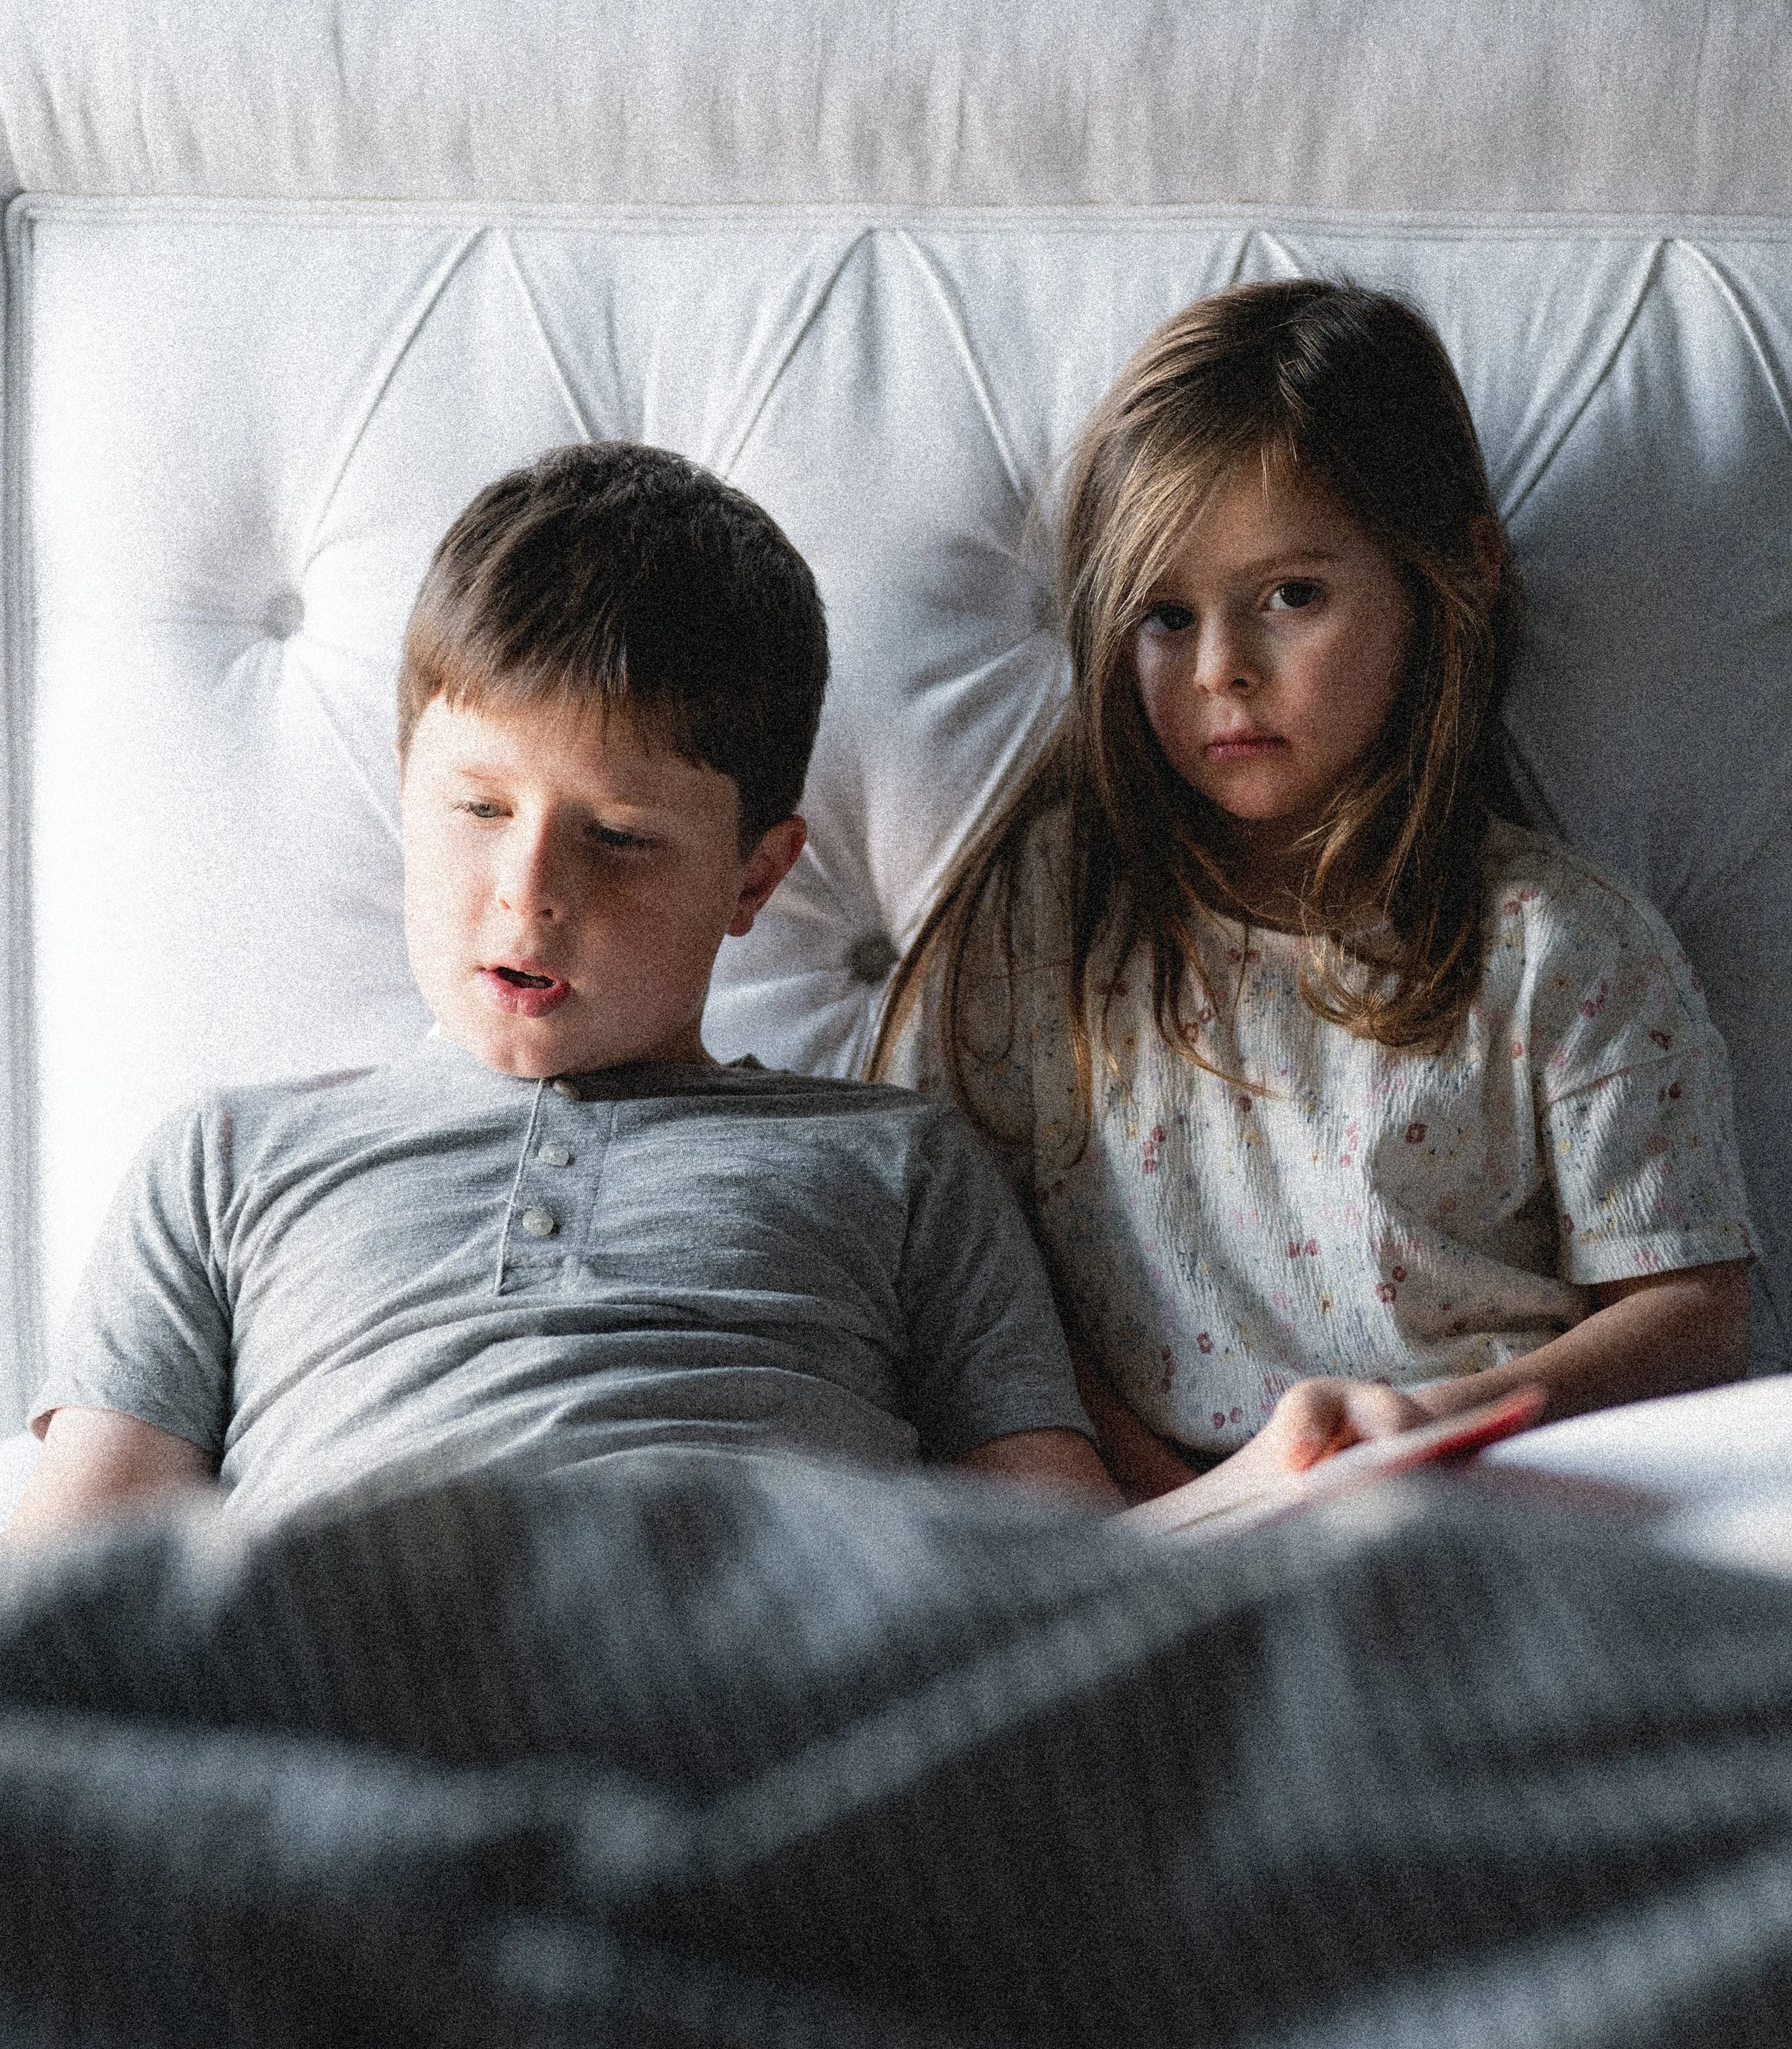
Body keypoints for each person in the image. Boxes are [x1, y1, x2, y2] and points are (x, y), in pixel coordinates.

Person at [9, 441, 1393, 1546]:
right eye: (480, 806)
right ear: (405, 794)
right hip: (364, 1684)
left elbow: (1068, 1579)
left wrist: (1274, 1478)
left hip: (770, 1696)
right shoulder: (228, 1163)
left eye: (618, 837)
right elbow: (80, 1607)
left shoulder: (897, 1162)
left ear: (754, 875)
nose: (530, 890)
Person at [874, 282, 1755, 1498]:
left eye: (1292, 595)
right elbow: (963, 1267)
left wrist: (1439, 1426)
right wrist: (1179, 1496)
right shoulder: (1049, 919)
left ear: (1453, 574)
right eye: (1167, 616)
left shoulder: (1566, 951)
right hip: (1148, 1525)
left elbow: (1694, 1316)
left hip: (1482, 1499)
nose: (1224, 670)